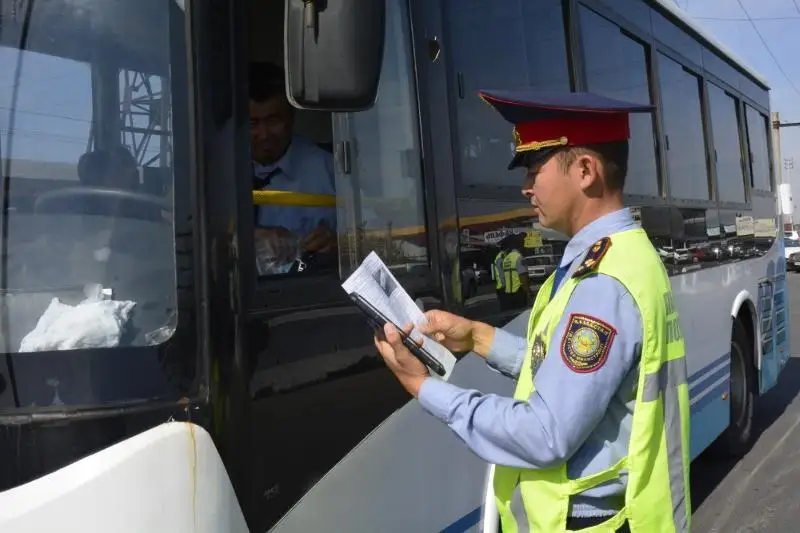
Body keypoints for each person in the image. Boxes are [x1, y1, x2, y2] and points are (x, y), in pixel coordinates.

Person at [373, 90, 691, 532]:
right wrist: (478, 338)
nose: (525, 187)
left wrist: (422, 387)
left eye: (535, 168)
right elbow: (568, 377)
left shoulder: (604, 280)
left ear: (584, 171)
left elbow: (546, 432)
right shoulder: (614, 258)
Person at [248, 62, 337, 273]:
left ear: (291, 118)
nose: (264, 134)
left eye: (273, 121)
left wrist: (337, 245)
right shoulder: (216, 173)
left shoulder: (329, 171)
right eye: (252, 124)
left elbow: (367, 238)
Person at [498, 233, 529, 310]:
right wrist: (528, 292)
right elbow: (522, 277)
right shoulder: (519, 257)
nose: (525, 246)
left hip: (508, 293)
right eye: (523, 244)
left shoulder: (506, 258)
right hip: (519, 292)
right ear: (520, 246)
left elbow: (503, 276)